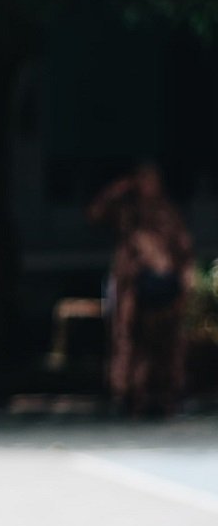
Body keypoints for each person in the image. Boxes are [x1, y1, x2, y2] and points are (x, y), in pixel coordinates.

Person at [89, 163, 194, 417]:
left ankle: (166, 397)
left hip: (165, 288)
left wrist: (183, 283)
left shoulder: (168, 212)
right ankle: (128, 395)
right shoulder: (127, 211)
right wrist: (118, 189)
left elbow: (184, 250)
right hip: (133, 288)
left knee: (166, 344)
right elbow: (95, 214)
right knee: (129, 341)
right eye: (142, 179)